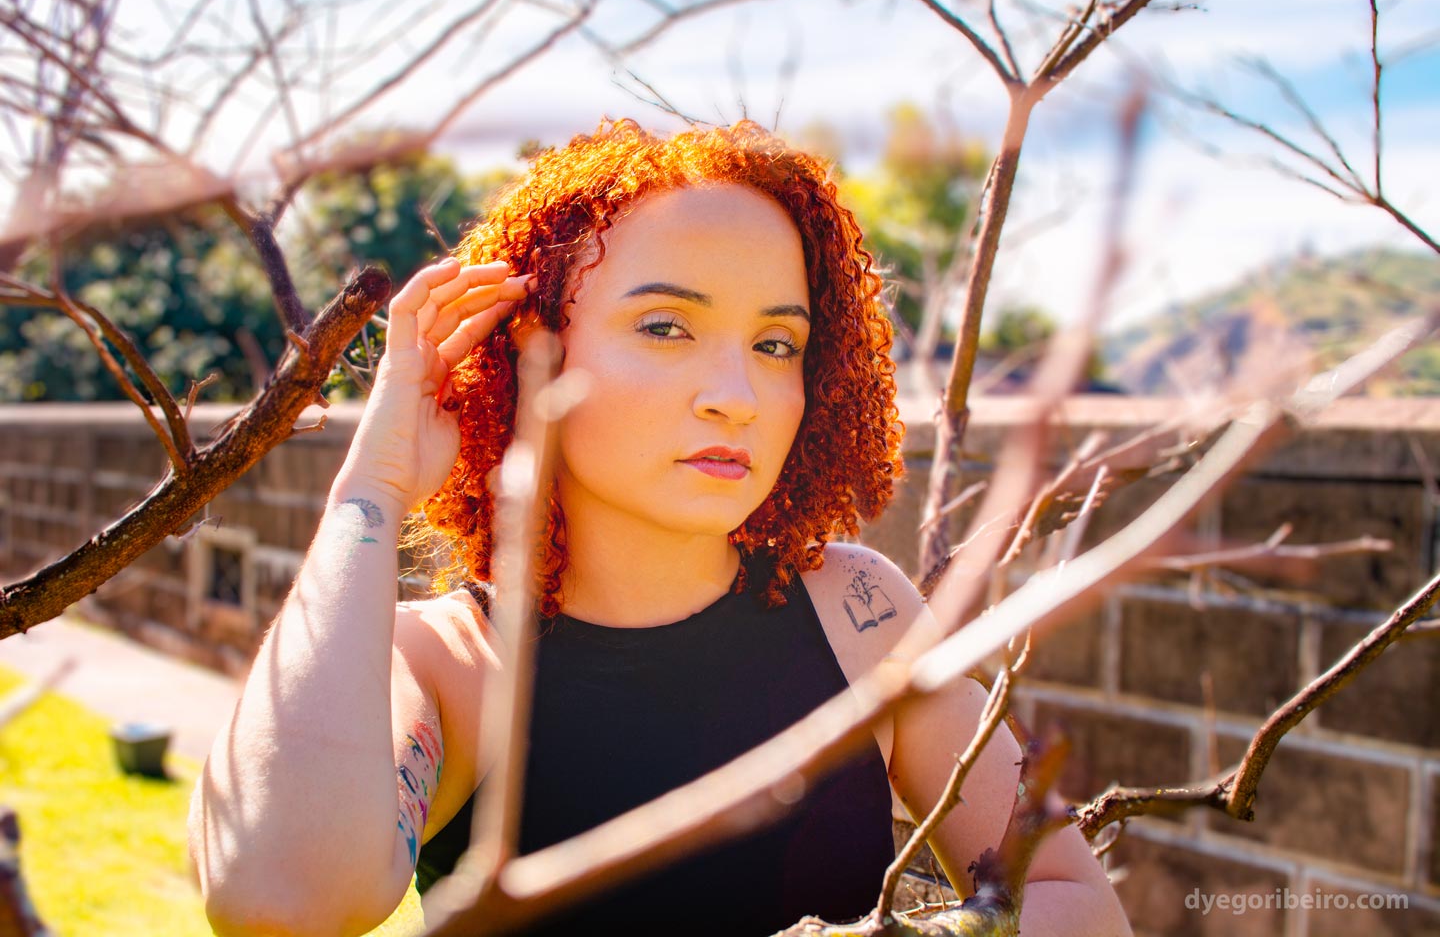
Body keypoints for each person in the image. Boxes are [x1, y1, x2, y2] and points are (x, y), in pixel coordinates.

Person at [188, 119, 1131, 936]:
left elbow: (1069, 896)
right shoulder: (446, 664)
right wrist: (373, 488)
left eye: (776, 344)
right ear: (527, 352)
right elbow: (277, 898)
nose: (737, 396)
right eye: (666, 327)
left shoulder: (859, 610)